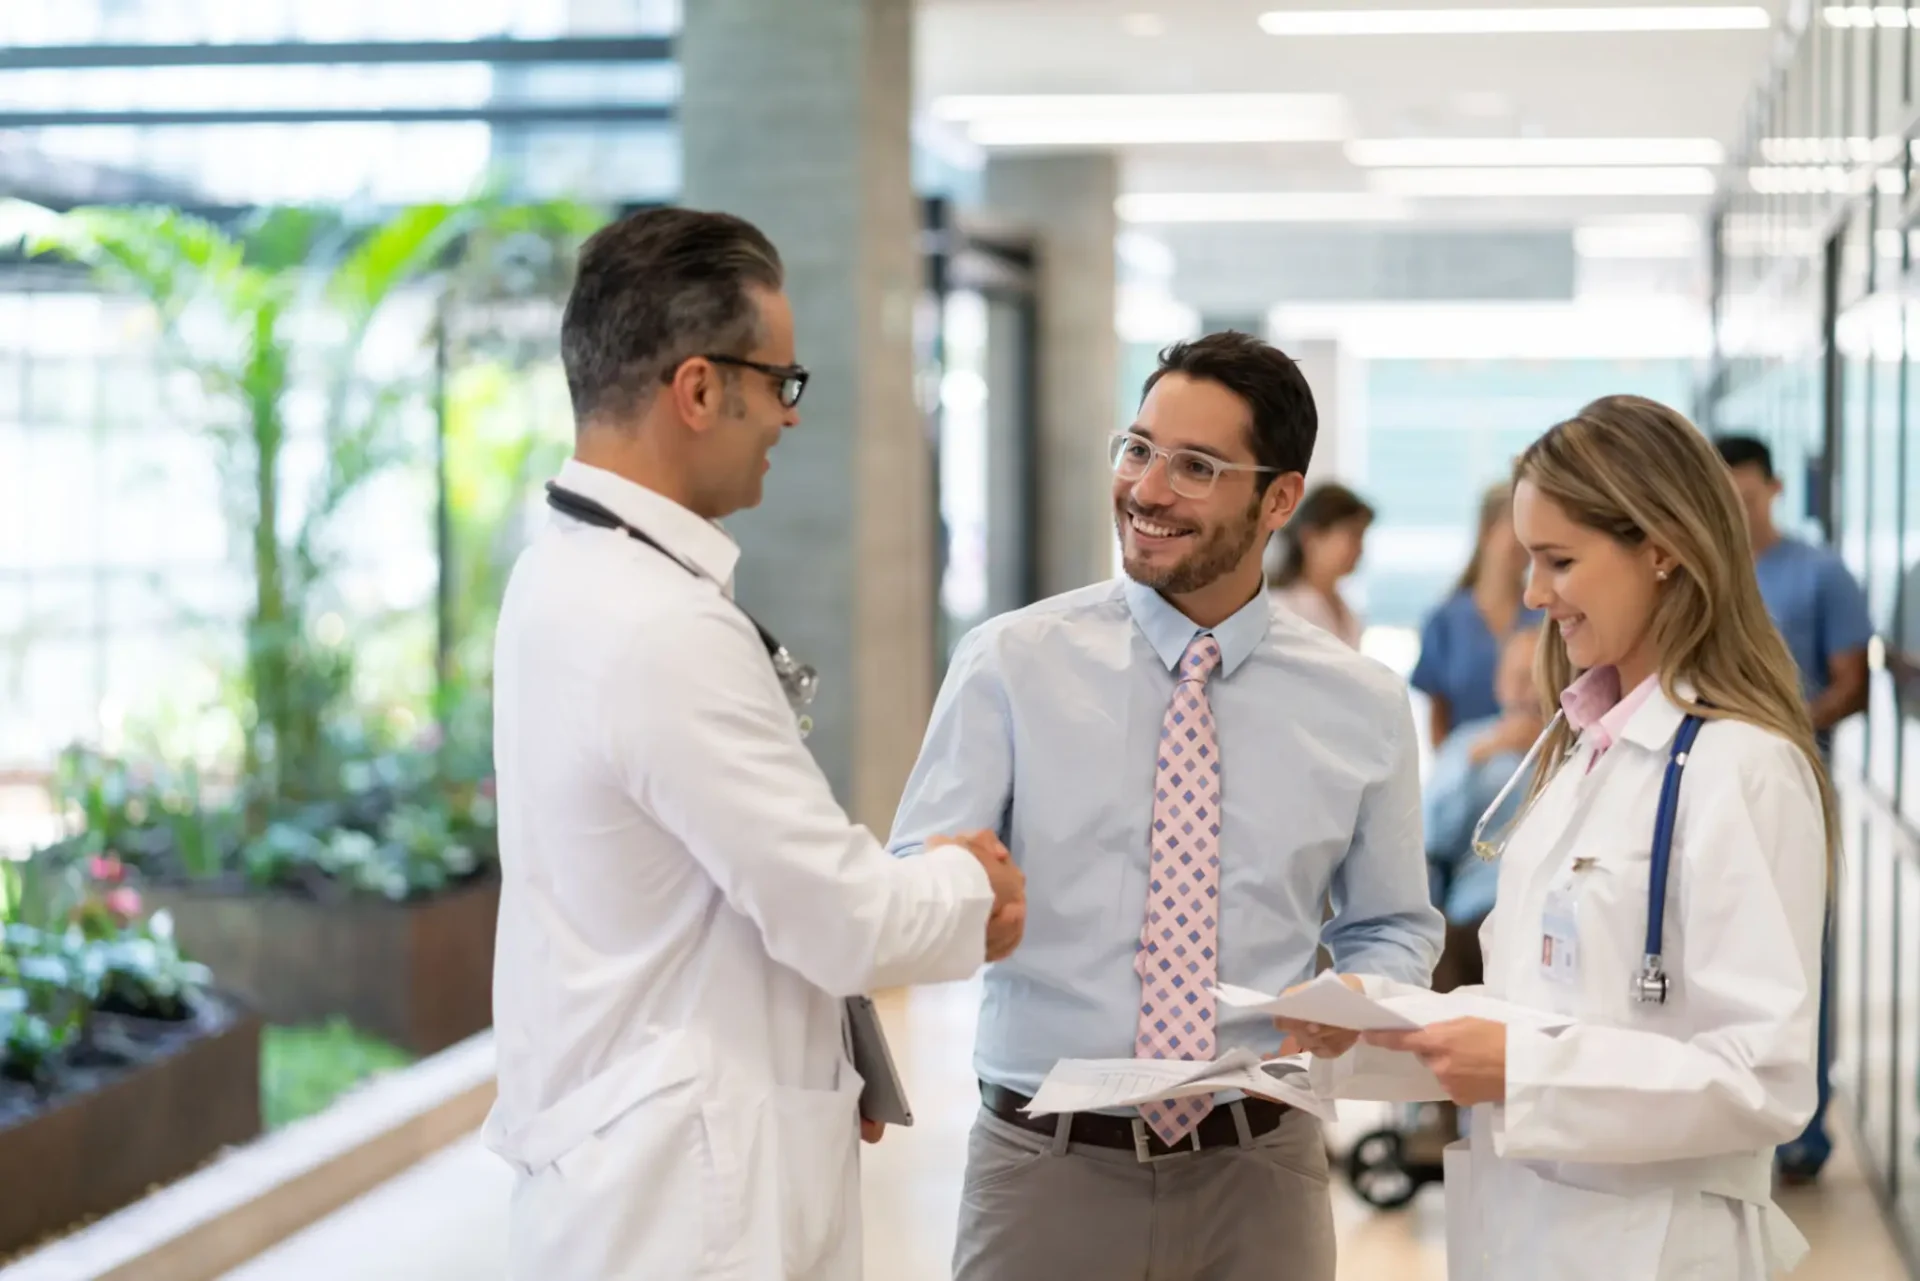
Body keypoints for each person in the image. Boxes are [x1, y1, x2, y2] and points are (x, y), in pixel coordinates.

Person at [483, 207, 1028, 1281]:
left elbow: (725, 883)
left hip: (635, 1155)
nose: (788, 416)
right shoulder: (661, 628)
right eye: (780, 382)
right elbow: (841, 918)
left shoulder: (561, 572)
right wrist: (972, 883)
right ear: (696, 390)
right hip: (685, 1203)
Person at [889, 331, 1443, 1281]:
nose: (1147, 489)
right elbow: (912, 890)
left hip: (1262, 1170)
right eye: (1138, 449)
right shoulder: (1011, 663)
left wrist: (1363, 996)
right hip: (1046, 1169)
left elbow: (1392, 925)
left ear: (1279, 498)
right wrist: (959, 897)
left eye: (1196, 466)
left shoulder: (1362, 703)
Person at [1297, 395, 1830, 1281]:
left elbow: (1761, 1079)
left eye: (1558, 561)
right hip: (1530, 1225)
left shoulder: (1743, 766)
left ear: (1663, 546)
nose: (1535, 595)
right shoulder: (1584, 747)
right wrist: (1382, 1027)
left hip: (1656, 1244)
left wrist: (1521, 1069)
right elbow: (1546, 1005)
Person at [1714, 433, 1871, 1186]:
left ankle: (1802, 1136)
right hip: (1713, 789)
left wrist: (1781, 723)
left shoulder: (1820, 572)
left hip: (1799, 777)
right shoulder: (1700, 568)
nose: (1737, 513)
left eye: (1746, 496)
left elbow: (1855, 680)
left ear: (1773, 488)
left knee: (1803, 953)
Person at [1410, 481, 1538, 746]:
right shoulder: (1445, 621)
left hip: (1534, 768)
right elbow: (1438, 723)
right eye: (1515, 527)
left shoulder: (1547, 617)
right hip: (1467, 772)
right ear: (1486, 531)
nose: (1524, 542)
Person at [1267, 480, 1374, 648]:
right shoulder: (1280, 609)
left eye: (1362, 537)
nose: (1359, 549)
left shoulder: (1349, 613)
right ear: (1310, 537)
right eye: (1352, 535)